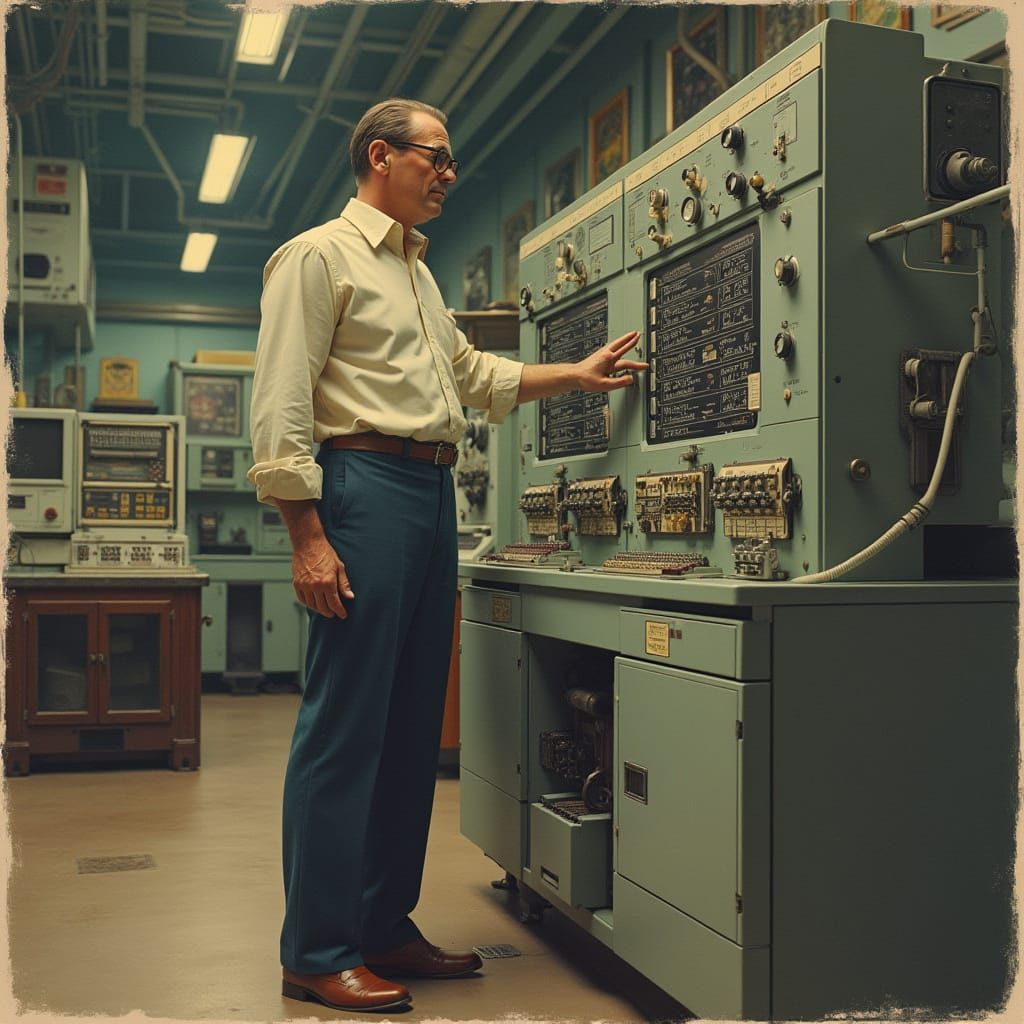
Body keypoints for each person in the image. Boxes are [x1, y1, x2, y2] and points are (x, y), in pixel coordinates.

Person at [248, 97, 645, 1014]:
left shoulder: (420, 279)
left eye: (452, 161)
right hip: (359, 489)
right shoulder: (318, 257)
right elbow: (280, 406)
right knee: (344, 729)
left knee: (408, 730)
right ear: (381, 157)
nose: (449, 173)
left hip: (426, 493)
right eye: (437, 158)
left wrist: (574, 375)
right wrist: (307, 535)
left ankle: (384, 926)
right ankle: (315, 949)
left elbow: (474, 378)